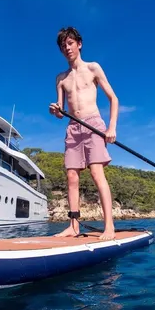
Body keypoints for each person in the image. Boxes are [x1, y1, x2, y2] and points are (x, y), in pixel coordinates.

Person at [49, 26, 119, 240]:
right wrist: (56, 111)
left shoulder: (93, 68)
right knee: (71, 176)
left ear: (79, 44)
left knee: (97, 173)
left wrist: (111, 127)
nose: (66, 48)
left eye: (70, 43)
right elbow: (62, 111)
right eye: (63, 45)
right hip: (73, 127)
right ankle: (74, 225)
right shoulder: (61, 79)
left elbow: (113, 99)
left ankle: (109, 227)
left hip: (93, 125)